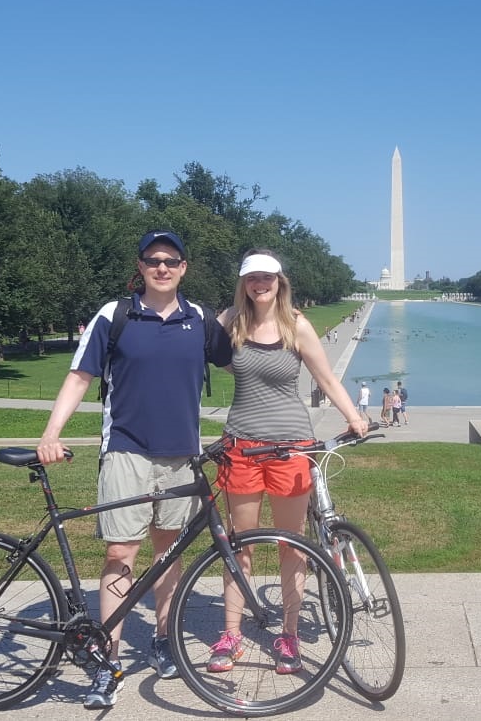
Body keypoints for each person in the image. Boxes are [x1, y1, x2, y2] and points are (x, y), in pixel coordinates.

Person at [35, 230, 232, 709]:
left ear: (184, 267)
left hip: (183, 454)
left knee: (169, 551)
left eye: (171, 260)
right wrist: (51, 432)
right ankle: (109, 658)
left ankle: (165, 638)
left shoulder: (200, 319)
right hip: (127, 449)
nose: (162, 268)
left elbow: (243, 363)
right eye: (153, 260)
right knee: (121, 551)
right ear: (140, 267)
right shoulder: (116, 315)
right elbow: (80, 376)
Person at [211, 248, 368, 676]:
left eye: (267, 277)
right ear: (243, 283)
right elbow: (195, 351)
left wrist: (354, 417)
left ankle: (289, 634)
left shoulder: (295, 324)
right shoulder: (230, 320)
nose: (260, 284)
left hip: (290, 448)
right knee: (237, 544)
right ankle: (231, 633)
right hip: (241, 446)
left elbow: (326, 378)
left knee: (291, 545)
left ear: (280, 281)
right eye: (252, 278)